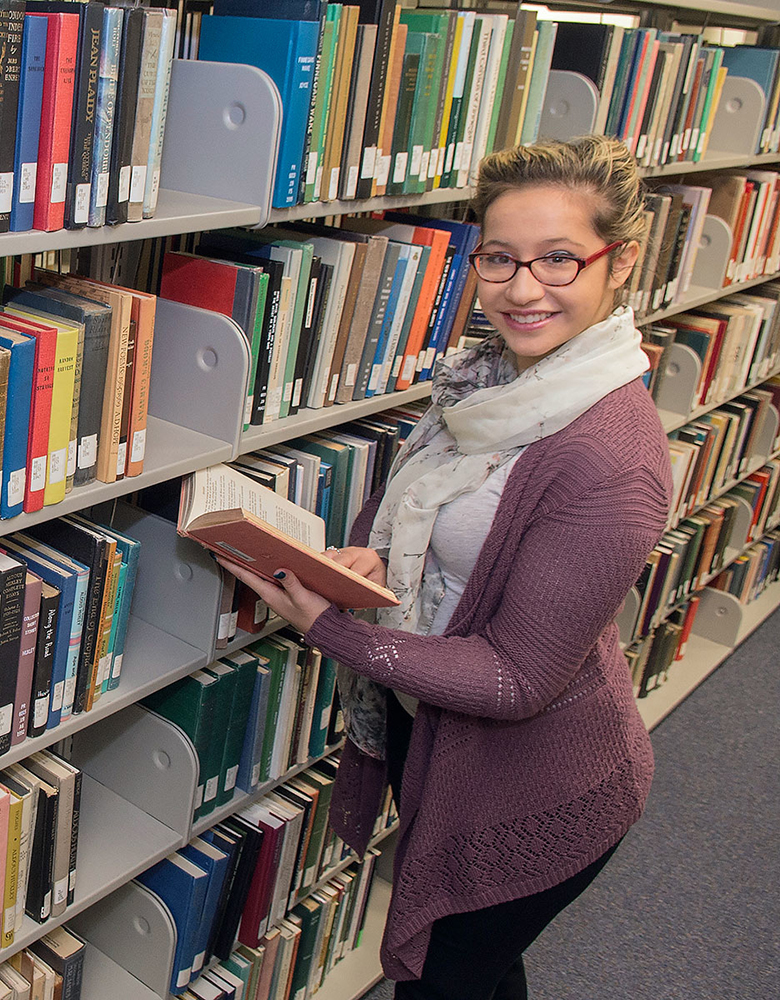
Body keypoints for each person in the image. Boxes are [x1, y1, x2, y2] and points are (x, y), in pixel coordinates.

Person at [217, 134, 671, 1000]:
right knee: (483, 975)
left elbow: (514, 678)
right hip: (448, 746)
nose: (523, 288)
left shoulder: (612, 458)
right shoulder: (486, 379)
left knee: (443, 983)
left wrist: (328, 627)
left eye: (561, 259)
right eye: (499, 258)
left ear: (623, 265)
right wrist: (375, 556)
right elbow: (433, 504)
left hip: (536, 791)